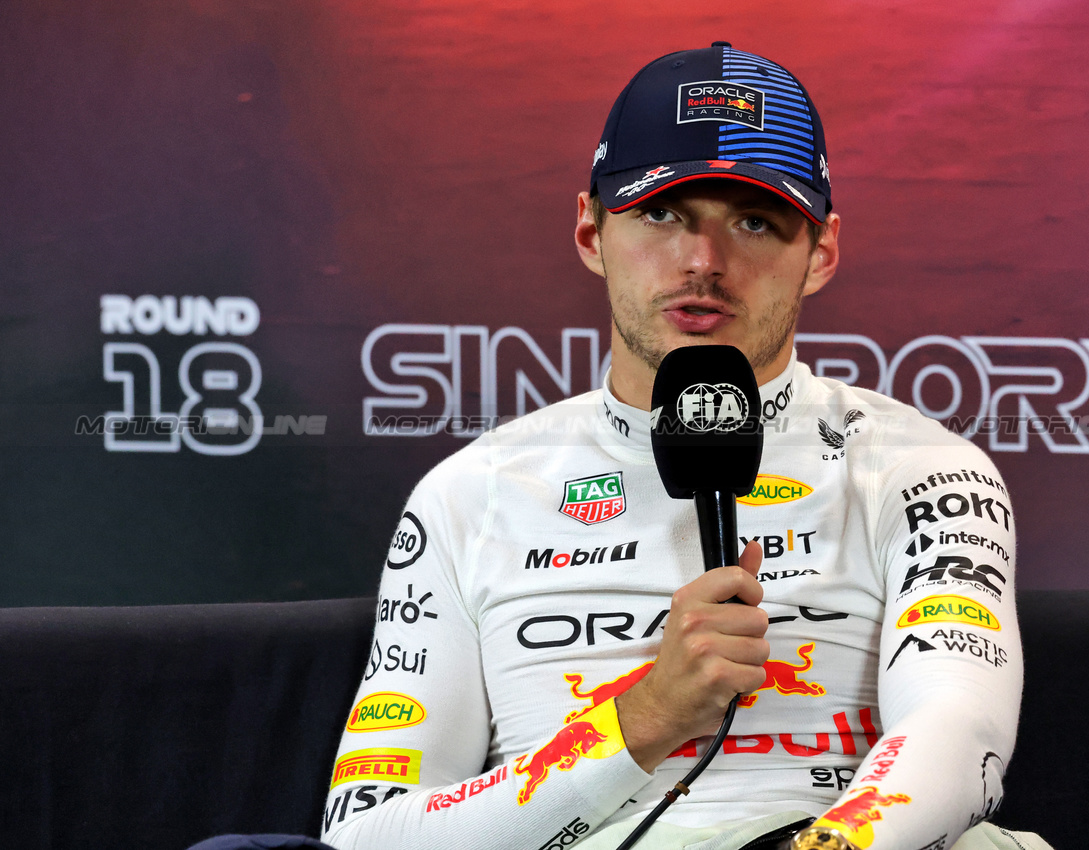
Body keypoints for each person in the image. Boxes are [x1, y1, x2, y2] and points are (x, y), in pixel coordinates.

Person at [317, 43, 1043, 850]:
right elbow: (368, 836)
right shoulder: (469, 493)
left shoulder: (918, 467)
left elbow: (960, 727)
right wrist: (639, 722)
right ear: (592, 232)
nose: (704, 263)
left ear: (821, 255)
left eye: (755, 222)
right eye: (661, 214)